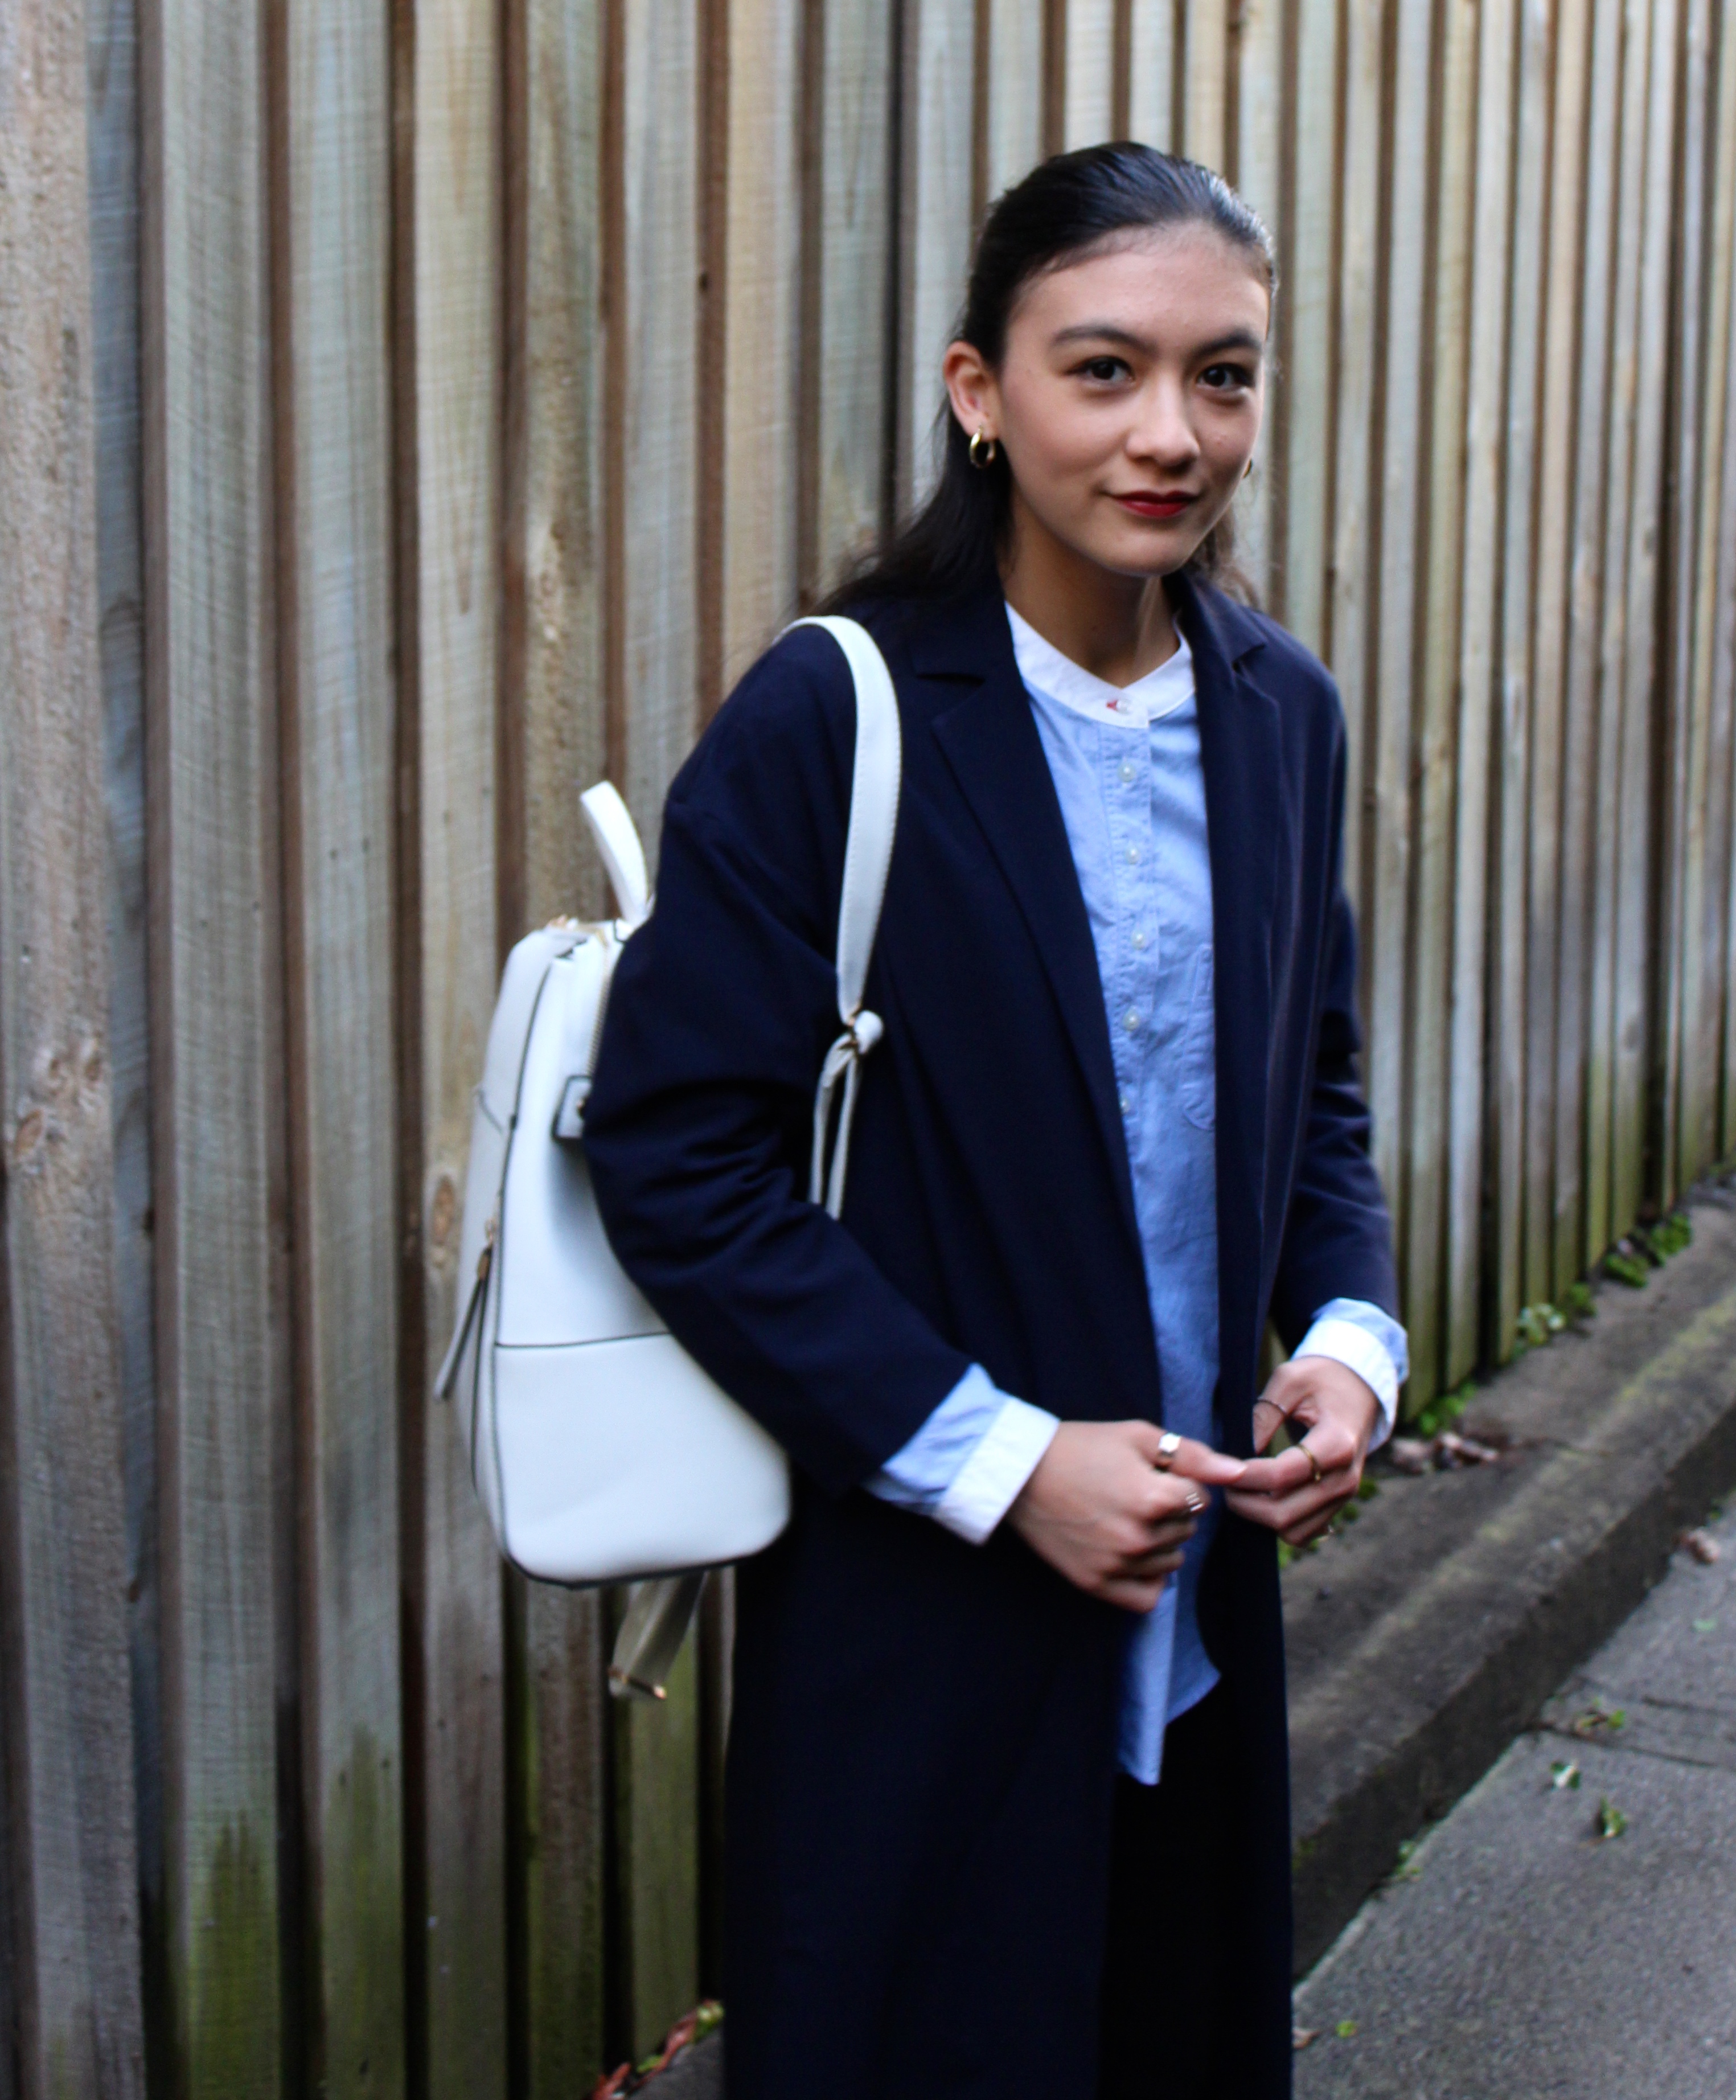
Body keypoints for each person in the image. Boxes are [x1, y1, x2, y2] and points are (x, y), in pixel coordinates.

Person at [583, 141, 1405, 2100]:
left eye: (1222, 375)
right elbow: (677, 1154)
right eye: (1102, 368)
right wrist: (1003, 1460)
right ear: (980, 391)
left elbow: (1313, 1088)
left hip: (1195, 1616)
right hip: (923, 1621)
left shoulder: (1279, 712)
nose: (1170, 433)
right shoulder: (836, 717)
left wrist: (1353, 1340)